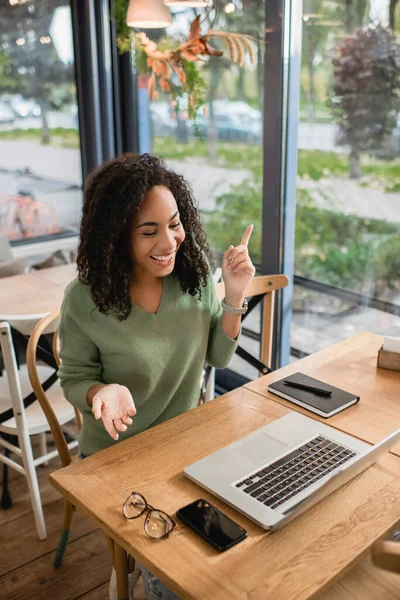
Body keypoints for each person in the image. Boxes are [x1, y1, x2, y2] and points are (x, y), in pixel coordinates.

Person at [58, 153, 255, 599]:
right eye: (148, 231)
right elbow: (74, 377)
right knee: (173, 574)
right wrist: (99, 391)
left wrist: (235, 295)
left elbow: (219, 358)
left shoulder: (195, 274)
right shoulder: (85, 298)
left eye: (175, 223)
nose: (169, 241)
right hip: (116, 457)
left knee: (239, 542)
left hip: (185, 440)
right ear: (116, 236)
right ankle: (135, 571)